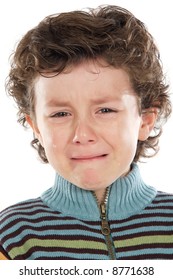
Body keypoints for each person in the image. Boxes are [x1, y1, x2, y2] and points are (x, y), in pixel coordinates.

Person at [0, 4, 172, 260]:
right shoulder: (13, 237)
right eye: (60, 114)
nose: (82, 134)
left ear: (145, 120)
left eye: (105, 110)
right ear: (36, 127)